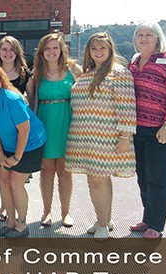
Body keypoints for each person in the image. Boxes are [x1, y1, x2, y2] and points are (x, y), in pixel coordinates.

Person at [65, 32, 137, 241]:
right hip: (85, 137)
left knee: (98, 180)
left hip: (106, 138)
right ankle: (103, 218)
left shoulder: (119, 73)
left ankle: (103, 224)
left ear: (110, 50)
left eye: (102, 48)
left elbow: (127, 107)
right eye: (94, 48)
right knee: (95, 180)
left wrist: (125, 136)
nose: (98, 52)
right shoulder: (88, 73)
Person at [128, 21, 166, 239]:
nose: (144, 39)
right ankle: (148, 218)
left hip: (160, 130)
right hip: (138, 129)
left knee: (158, 179)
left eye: (149, 35)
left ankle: (157, 225)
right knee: (143, 177)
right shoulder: (134, 62)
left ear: (158, 38)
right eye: (140, 35)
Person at [0, 63, 46, 238]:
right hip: (7, 146)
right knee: (3, 180)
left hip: (30, 145)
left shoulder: (12, 100)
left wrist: (16, 158)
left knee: (15, 183)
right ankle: (10, 223)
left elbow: (25, 130)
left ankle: (22, 225)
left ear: (1, 81)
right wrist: (1, 156)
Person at [27, 32, 82, 228]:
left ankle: (66, 212)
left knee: (65, 171)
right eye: (47, 48)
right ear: (42, 52)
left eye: (55, 48)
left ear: (61, 50)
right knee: (46, 170)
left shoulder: (73, 70)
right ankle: (46, 211)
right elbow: (30, 101)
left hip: (68, 122)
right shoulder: (37, 73)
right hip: (45, 123)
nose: (51, 52)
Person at [0, 35, 34, 221]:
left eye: (11, 49)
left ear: (17, 52)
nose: (7, 53)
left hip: (20, 133)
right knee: (3, 176)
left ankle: (20, 214)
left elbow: (32, 104)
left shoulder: (26, 74)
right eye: (4, 49)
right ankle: (5, 207)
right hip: (0, 132)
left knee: (17, 179)